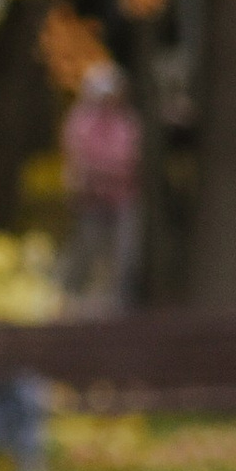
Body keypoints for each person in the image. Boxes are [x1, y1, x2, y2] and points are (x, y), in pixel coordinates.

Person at [62, 57, 142, 302]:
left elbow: (132, 161)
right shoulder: (81, 122)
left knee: (124, 257)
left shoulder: (127, 122)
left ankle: (118, 306)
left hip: (122, 200)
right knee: (88, 254)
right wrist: (105, 173)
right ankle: (77, 301)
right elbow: (79, 162)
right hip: (90, 201)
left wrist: (103, 171)